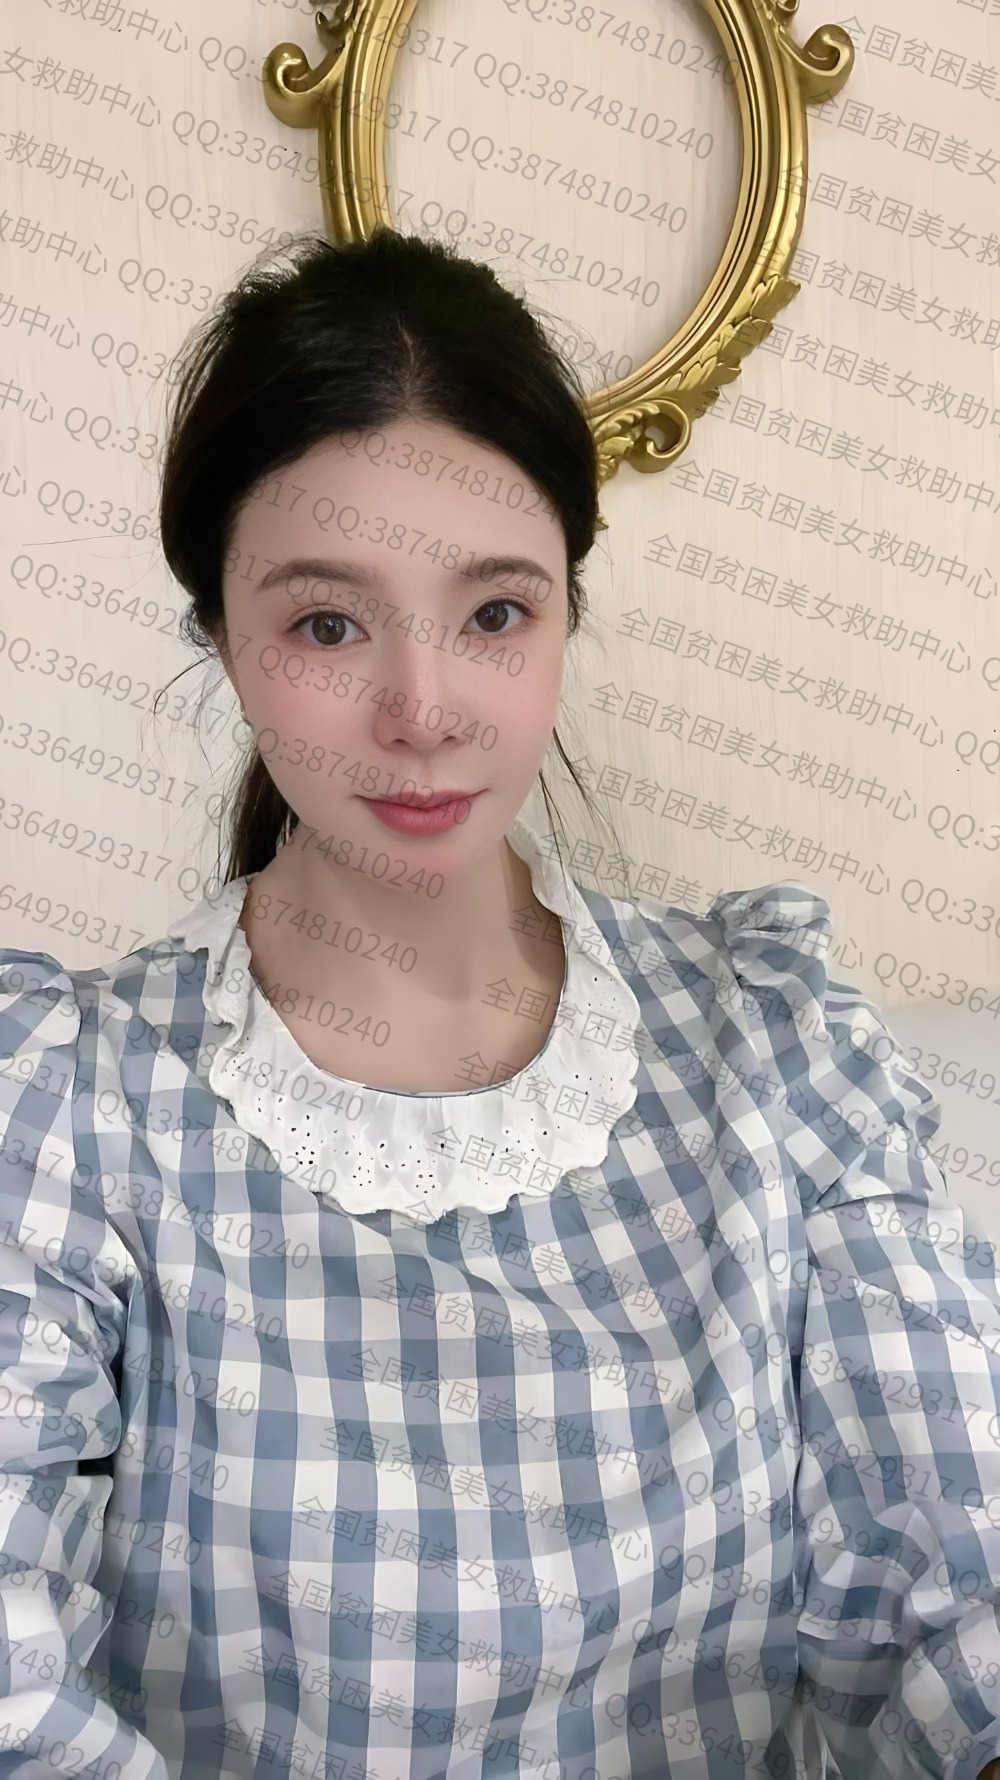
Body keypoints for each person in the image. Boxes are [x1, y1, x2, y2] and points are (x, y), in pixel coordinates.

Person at [1, 225, 999, 1780]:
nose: (423, 712)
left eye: (494, 614)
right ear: (221, 637)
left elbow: (956, 1559)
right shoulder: (69, 1106)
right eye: (327, 623)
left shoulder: (779, 1047)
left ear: (565, 617)